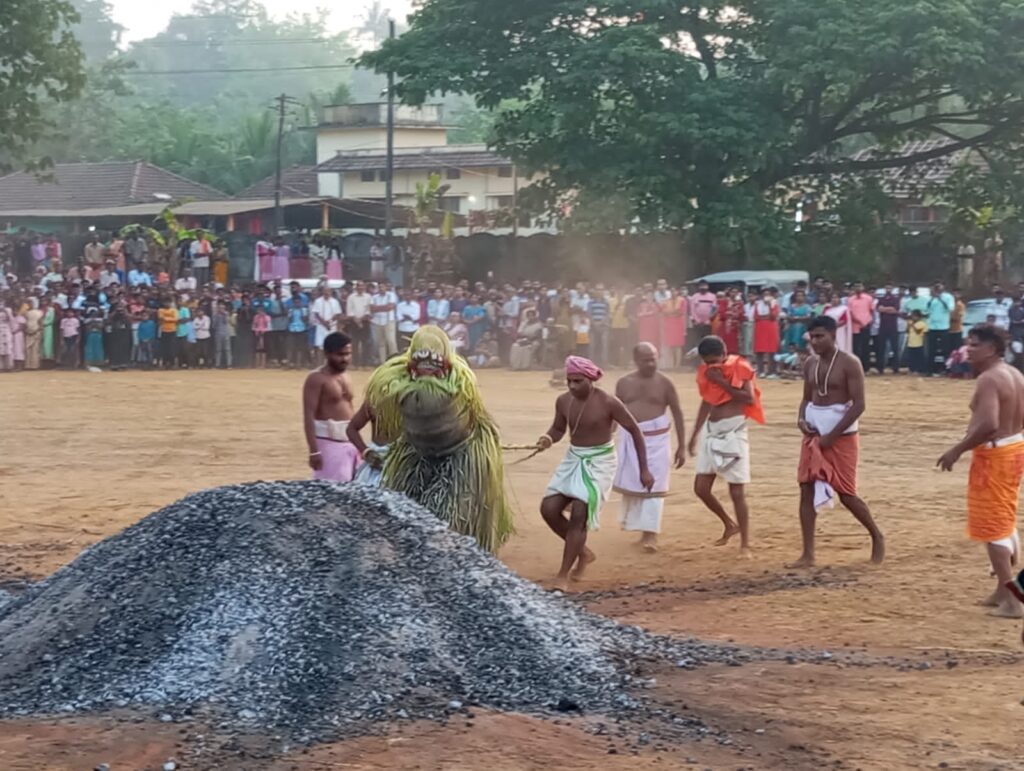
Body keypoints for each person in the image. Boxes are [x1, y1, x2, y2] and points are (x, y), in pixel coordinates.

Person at [538, 355, 652, 590]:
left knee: (580, 512)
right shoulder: (562, 401)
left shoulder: (609, 402)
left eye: (578, 381)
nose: (572, 386)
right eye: (569, 381)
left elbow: (635, 431)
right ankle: (584, 553)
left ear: (591, 379)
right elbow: (559, 428)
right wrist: (548, 438)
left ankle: (562, 575)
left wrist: (644, 469)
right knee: (548, 509)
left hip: (600, 461)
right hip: (574, 459)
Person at [937, 324, 1024, 619]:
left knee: (993, 525)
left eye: (975, 345)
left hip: (996, 454)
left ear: (992, 348)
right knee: (1002, 516)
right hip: (1013, 449)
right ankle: (1003, 590)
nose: (969, 350)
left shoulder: (989, 379)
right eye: (968, 344)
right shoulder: (1014, 374)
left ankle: (1012, 599)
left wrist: (957, 449)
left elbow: (988, 425)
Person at [792, 315, 885, 567]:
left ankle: (876, 536)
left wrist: (831, 437)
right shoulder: (810, 363)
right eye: (812, 337)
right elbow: (806, 398)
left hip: (841, 438)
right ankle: (808, 553)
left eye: (820, 336)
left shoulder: (850, 363)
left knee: (847, 494)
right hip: (814, 434)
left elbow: (859, 405)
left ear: (834, 335)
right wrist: (801, 419)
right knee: (805, 489)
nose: (815, 341)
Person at [689, 336, 764, 555]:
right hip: (712, 432)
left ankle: (745, 544)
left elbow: (748, 398)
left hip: (734, 432)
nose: (713, 366)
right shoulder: (706, 372)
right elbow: (707, 401)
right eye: (708, 362)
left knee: (737, 492)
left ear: (724, 354)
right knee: (701, 489)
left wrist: (721, 381)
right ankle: (730, 524)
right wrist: (694, 434)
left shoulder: (740, 367)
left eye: (716, 360)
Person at [613, 343, 686, 552]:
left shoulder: (665, 383)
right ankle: (638, 529)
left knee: (655, 485)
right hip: (630, 439)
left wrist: (681, 446)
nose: (651, 363)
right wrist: (606, 435)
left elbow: (678, 413)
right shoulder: (624, 383)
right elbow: (614, 411)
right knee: (634, 482)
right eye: (646, 360)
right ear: (636, 361)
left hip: (658, 441)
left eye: (654, 358)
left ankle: (650, 535)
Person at [303, 332, 361, 484]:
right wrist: (314, 450)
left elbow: (350, 408)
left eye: (348, 354)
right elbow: (308, 415)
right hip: (328, 444)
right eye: (340, 354)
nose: (345, 359)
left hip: (350, 443)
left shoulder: (346, 376)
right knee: (332, 493)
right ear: (327, 353)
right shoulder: (316, 379)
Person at [926, 281, 955, 375]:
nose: (938, 289)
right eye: (936, 287)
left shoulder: (948, 297)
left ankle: (947, 369)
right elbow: (927, 309)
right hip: (932, 327)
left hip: (943, 326)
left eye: (939, 286)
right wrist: (932, 298)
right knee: (931, 349)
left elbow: (949, 309)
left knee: (945, 349)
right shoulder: (930, 298)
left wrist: (940, 298)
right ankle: (930, 370)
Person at [847, 282, 875, 371]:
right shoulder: (850, 300)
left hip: (866, 325)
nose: (858, 288)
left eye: (859, 286)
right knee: (856, 348)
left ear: (863, 287)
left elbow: (871, 311)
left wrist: (868, 321)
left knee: (866, 347)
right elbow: (850, 313)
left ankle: (866, 368)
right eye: (856, 286)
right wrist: (859, 322)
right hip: (855, 327)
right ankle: (856, 368)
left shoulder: (868, 298)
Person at [752, 287, 780, 377]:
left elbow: (773, 316)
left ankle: (772, 371)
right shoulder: (757, 304)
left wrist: (768, 306)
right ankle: (761, 371)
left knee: (772, 349)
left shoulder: (774, 303)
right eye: (764, 294)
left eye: (768, 294)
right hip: (760, 328)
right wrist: (765, 317)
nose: (766, 296)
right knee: (759, 350)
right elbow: (756, 317)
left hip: (771, 328)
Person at [874, 283, 901, 374]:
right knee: (881, 348)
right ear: (885, 288)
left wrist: (885, 309)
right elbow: (879, 309)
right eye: (887, 287)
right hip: (883, 327)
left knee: (895, 348)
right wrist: (889, 309)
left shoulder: (895, 299)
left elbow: (895, 310)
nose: (888, 289)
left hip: (893, 327)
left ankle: (895, 368)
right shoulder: (881, 299)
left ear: (892, 288)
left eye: (890, 287)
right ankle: (880, 368)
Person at [905, 310, 928, 375]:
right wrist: (908, 325)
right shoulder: (911, 322)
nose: (913, 318)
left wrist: (912, 325)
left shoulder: (922, 323)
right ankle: (911, 369)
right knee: (911, 358)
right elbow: (907, 331)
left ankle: (919, 370)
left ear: (919, 317)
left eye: (914, 316)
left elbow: (918, 332)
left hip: (918, 344)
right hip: (910, 343)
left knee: (918, 358)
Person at [252, 303, 270, 369]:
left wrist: (264, 316)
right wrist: (255, 330)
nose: (259, 311)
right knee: (257, 348)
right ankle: (257, 364)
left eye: (261, 310)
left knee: (264, 349)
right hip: (257, 332)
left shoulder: (267, 317)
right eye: (258, 310)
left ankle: (263, 364)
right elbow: (254, 325)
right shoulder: (256, 317)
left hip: (264, 333)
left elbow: (268, 325)